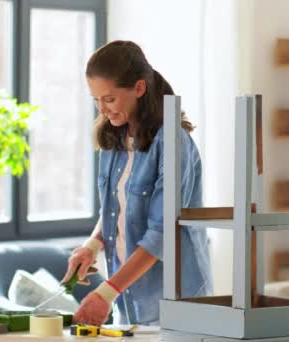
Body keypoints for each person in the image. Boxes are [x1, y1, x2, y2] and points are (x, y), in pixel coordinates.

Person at [61, 40, 213, 326]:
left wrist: (105, 293)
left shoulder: (172, 142)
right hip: (128, 302)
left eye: (109, 99)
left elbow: (161, 234)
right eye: (96, 100)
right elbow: (116, 210)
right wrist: (92, 247)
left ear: (139, 89)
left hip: (176, 304)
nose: (102, 109)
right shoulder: (113, 140)